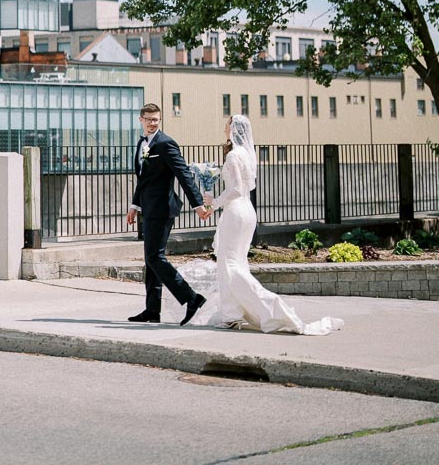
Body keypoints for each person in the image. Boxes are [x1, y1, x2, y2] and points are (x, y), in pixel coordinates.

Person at [196, 115, 344, 336]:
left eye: (227, 124)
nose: (224, 127)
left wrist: (213, 203)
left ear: (233, 129)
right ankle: (232, 313)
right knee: (237, 262)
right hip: (248, 212)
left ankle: (262, 309)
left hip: (235, 211)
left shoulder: (235, 155)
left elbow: (235, 189)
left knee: (229, 264)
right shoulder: (247, 154)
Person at [125, 103, 211, 325]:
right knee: (150, 260)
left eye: (156, 119)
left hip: (162, 209)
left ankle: (192, 298)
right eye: (149, 119)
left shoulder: (165, 143)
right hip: (148, 208)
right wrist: (135, 206)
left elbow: (183, 175)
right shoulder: (142, 144)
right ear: (140, 119)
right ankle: (152, 311)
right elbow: (143, 179)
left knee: (155, 257)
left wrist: (198, 204)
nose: (153, 123)